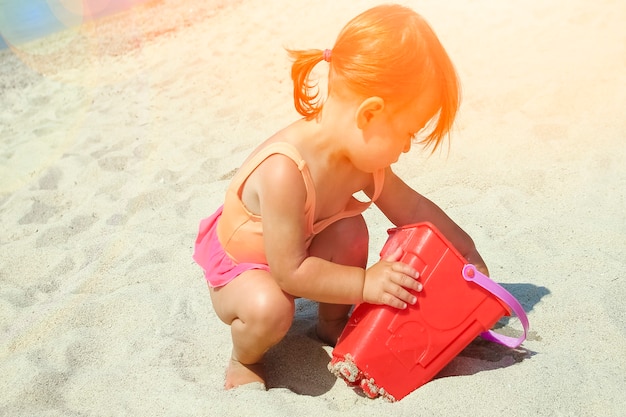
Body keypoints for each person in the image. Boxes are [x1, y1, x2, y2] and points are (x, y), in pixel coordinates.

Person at [193, 4, 489, 390]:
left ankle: (330, 324)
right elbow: (290, 273)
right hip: (245, 268)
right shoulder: (285, 170)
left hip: (300, 245)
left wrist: (464, 251)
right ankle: (243, 358)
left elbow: (413, 209)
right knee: (271, 309)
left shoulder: (363, 160)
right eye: (407, 133)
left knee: (351, 228)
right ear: (369, 115)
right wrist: (365, 284)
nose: (405, 147)